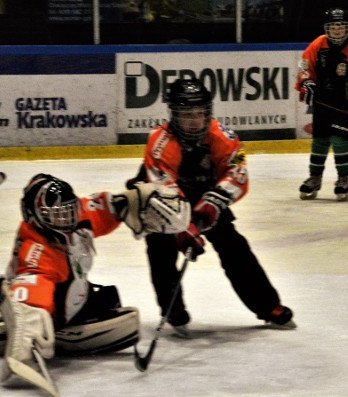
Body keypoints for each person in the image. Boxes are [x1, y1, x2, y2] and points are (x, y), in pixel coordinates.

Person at [0, 173, 189, 381]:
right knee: (125, 327)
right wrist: (25, 349)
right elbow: (32, 302)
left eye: (69, 211)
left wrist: (142, 199)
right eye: (57, 216)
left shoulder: (79, 213)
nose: (67, 220)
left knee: (115, 306)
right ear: (34, 217)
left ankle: (4, 307)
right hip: (51, 313)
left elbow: (116, 204)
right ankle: (9, 325)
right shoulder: (37, 253)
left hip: (73, 296)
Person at [126, 77, 295, 333]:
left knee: (234, 246)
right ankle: (173, 308)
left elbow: (238, 173)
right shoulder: (159, 141)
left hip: (207, 193)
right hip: (161, 200)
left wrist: (214, 202)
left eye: (200, 113)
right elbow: (164, 189)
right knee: (160, 247)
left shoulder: (225, 136)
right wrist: (183, 227)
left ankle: (267, 305)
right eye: (187, 114)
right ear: (174, 115)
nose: (195, 120)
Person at [295, 7, 348, 201]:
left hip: (347, 103)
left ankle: (344, 178)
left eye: (341, 26)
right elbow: (304, 66)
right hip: (324, 102)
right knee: (320, 140)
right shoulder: (318, 44)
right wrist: (306, 82)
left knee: (340, 140)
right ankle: (314, 177)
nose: (337, 31)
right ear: (327, 28)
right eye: (333, 26)